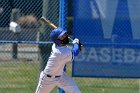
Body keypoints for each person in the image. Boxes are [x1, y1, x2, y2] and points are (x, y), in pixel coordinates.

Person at [35, 27, 81, 93]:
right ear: (57, 40)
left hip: (61, 76)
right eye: (62, 36)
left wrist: (75, 44)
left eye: (65, 34)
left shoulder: (57, 45)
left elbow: (65, 46)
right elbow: (75, 52)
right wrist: (76, 44)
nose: (65, 37)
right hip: (48, 80)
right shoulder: (60, 52)